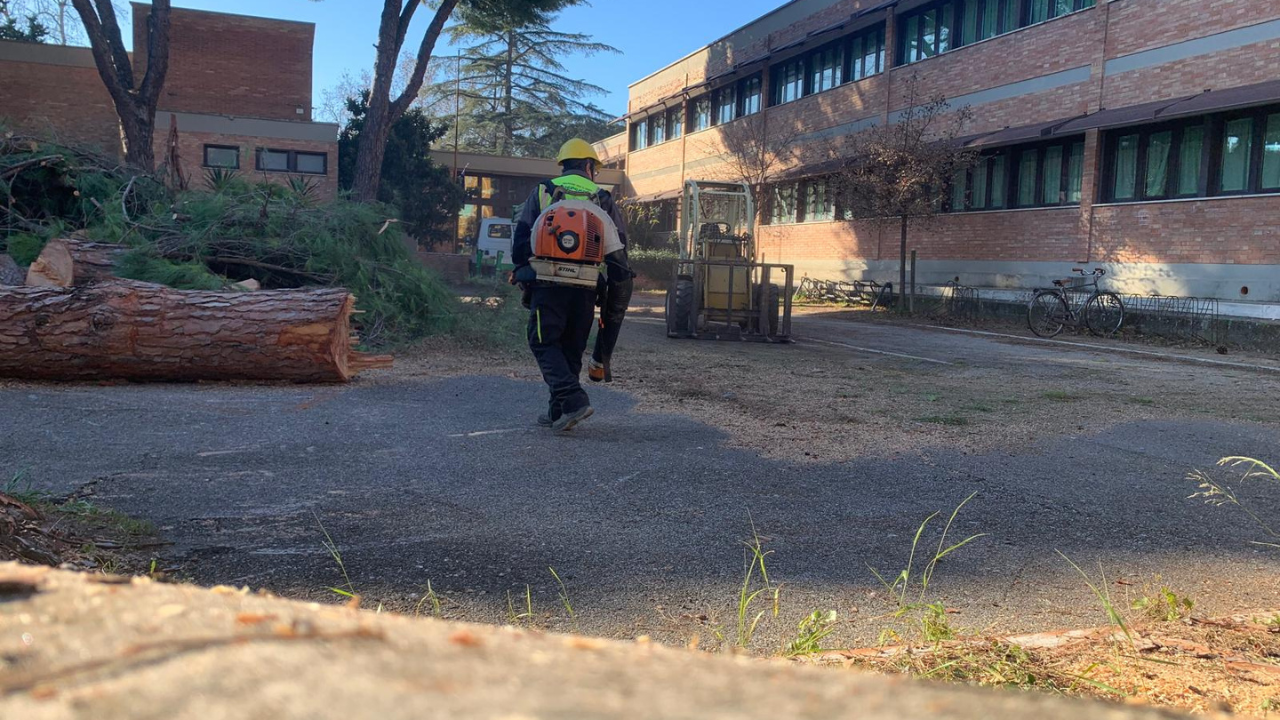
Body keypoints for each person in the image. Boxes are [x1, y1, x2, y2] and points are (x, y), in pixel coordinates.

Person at [511, 138, 632, 432]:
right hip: (587, 286)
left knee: (542, 340)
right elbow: (620, 248)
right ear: (589, 167)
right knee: (571, 347)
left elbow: (522, 238)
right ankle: (558, 411)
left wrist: (522, 268)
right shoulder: (602, 197)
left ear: (563, 165)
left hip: (549, 282)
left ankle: (573, 400)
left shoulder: (543, 190)